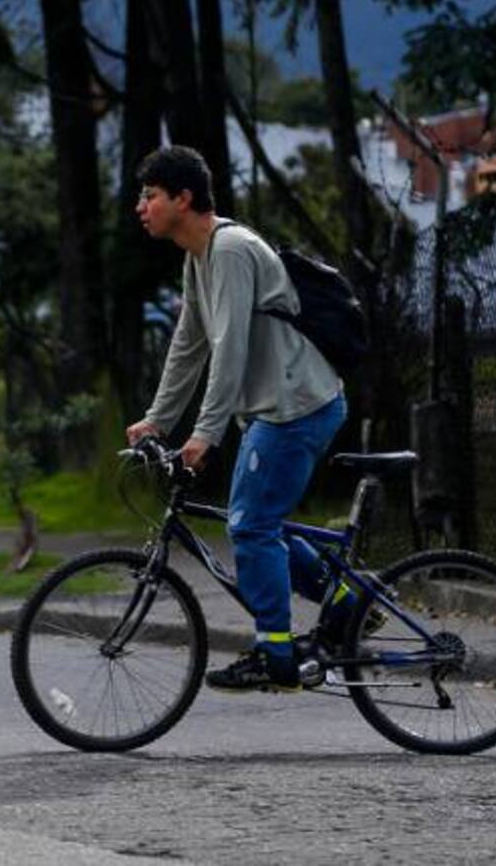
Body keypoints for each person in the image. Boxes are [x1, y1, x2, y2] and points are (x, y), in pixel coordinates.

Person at [125, 146, 348, 692]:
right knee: (258, 522)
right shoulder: (198, 257)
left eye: (150, 196)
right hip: (279, 409)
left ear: (183, 198)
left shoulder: (229, 249)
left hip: (295, 408)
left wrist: (205, 432)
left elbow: (230, 348)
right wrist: (157, 420)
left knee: (249, 526)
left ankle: (276, 656)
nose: (140, 207)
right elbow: (189, 344)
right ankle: (349, 604)